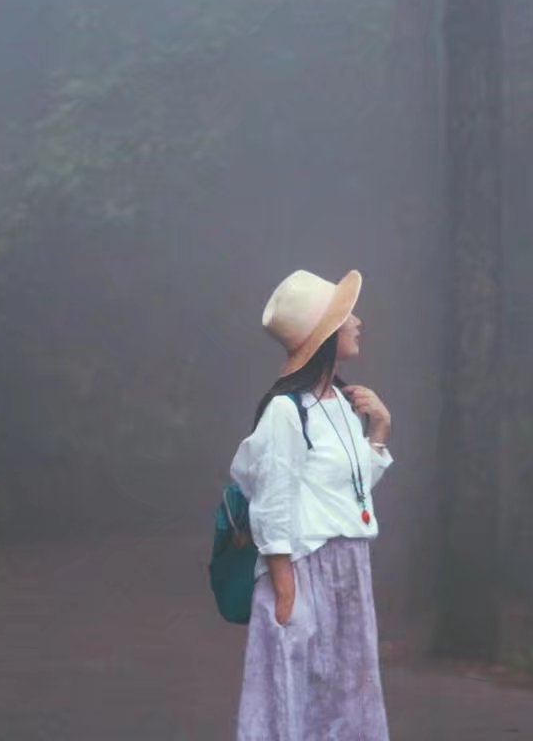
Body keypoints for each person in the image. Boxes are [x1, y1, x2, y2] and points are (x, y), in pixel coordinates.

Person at [231, 269, 393, 740]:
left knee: (348, 697)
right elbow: (272, 502)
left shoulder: (342, 403)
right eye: (347, 317)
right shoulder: (286, 411)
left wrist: (379, 431)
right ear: (325, 337)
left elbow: (347, 492)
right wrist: (286, 594)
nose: (358, 322)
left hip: (349, 569)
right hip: (304, 571)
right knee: (293, 696)